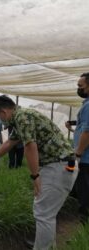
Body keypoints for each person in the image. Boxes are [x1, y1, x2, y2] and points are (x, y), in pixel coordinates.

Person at [0, 95, 77, 250]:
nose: (0, 120)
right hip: (57, 165)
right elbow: (10, 142)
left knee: (43, 214)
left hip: (59, 166)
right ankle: (45, 244)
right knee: (45, 212)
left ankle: (42, 247)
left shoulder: (23, 118)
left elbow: (30, 146)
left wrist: (35, 176)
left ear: (4, 112)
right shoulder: (21, 117)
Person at [73, 72, 89, 223]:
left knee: (84, 187)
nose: (78, 89)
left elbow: (87, 131)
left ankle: (84, 222)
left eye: (80, 86)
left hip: (85, 157)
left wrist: (78, 152)